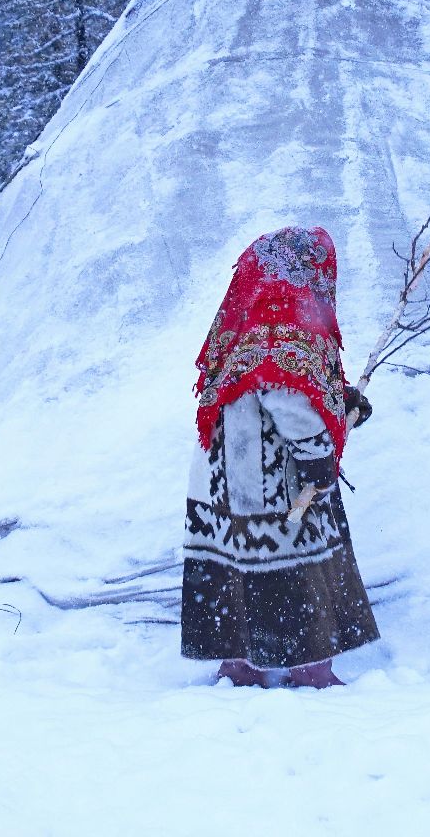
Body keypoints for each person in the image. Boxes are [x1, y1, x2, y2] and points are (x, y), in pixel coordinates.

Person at [182, 226, 379, 688]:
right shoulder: (284, 321)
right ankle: (310, 669)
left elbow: (288, 384)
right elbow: (287, 395)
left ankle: (240, 666)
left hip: (224, 473)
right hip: (272, 477)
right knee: (296, 567)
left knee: (237, 563)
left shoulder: (248, 316)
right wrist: (317, 457)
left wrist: (340, 400)